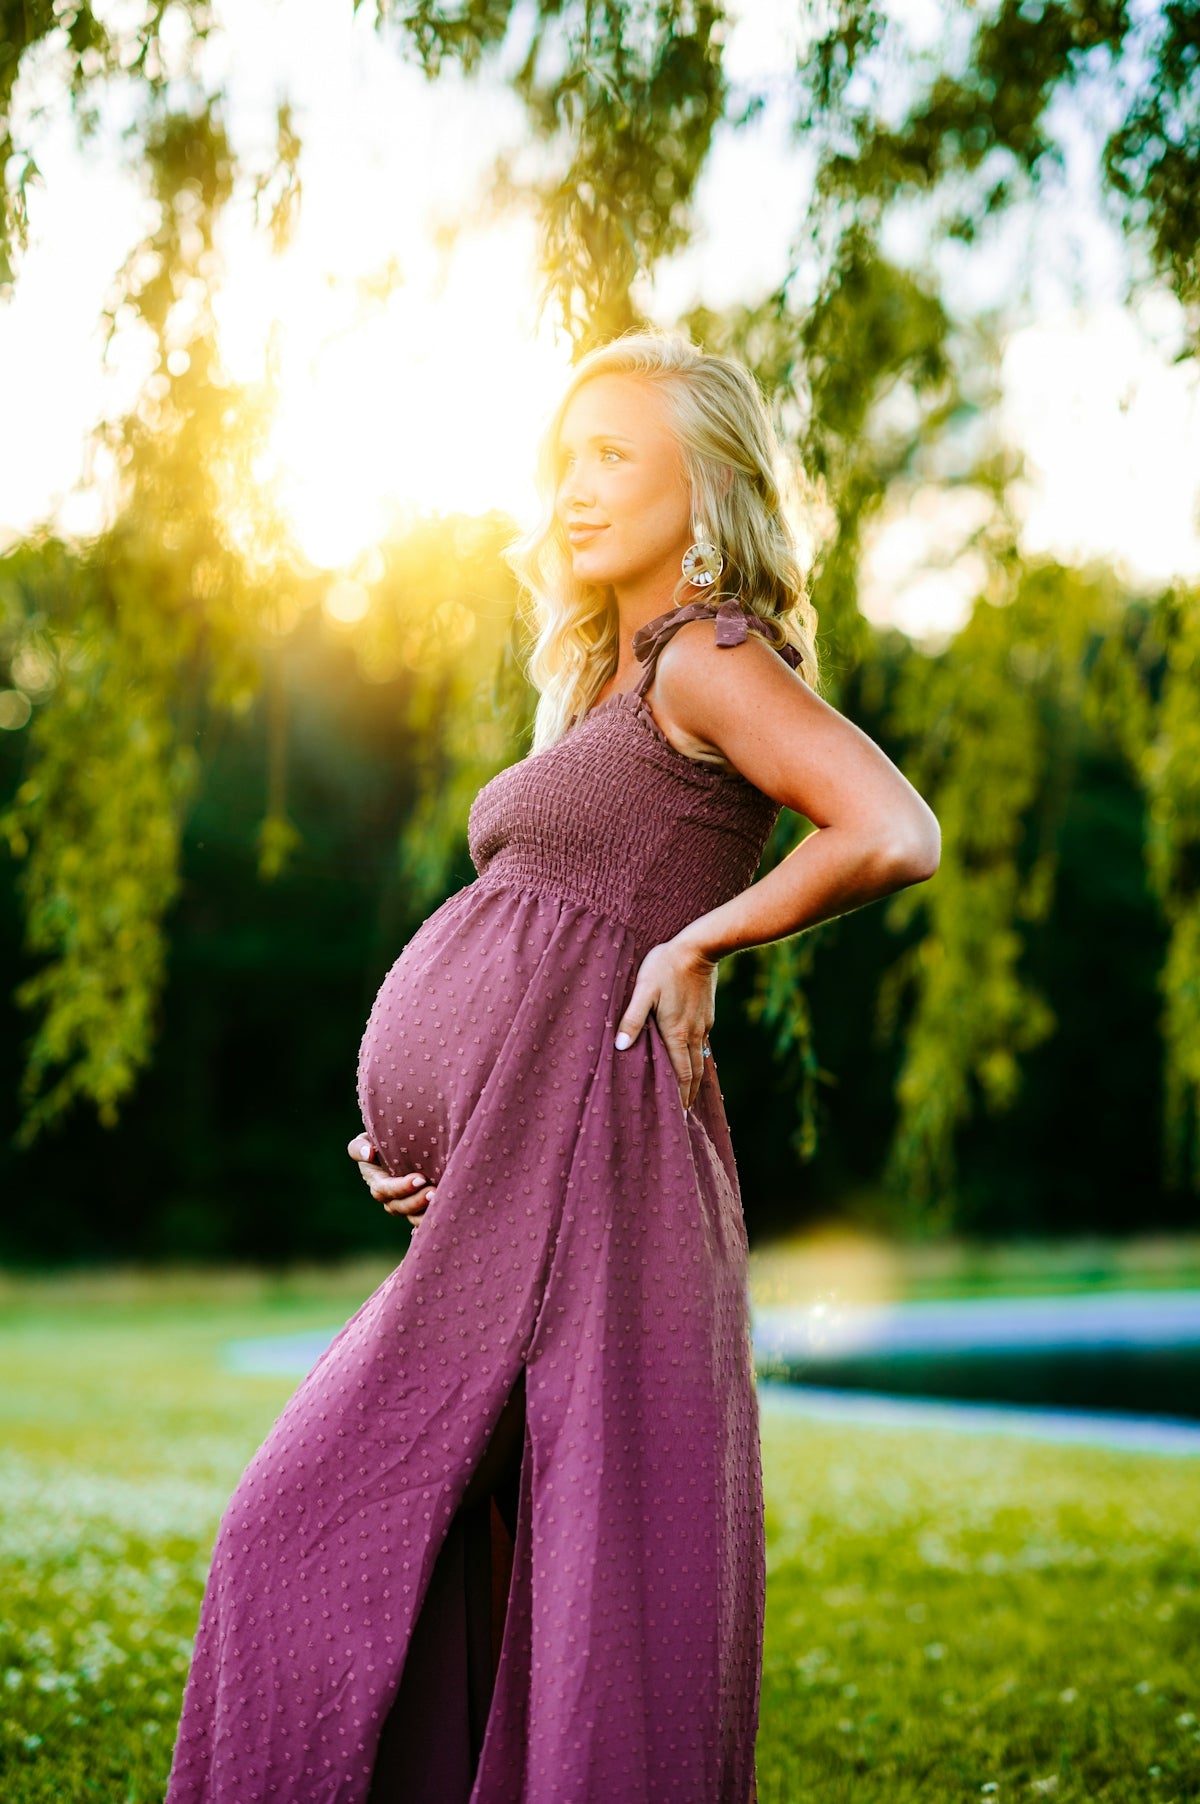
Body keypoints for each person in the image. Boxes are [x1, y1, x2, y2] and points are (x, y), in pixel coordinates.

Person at [164, 329, 939, 1804]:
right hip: (516, 1170)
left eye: (614, 455)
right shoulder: (618, 680)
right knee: (427, 1530)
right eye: (564, 458)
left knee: (529, 1557)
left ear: (703, 483)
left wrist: (703, 943)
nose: (575, 490)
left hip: (608, 1159)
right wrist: (433, 1129)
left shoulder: (714, 655)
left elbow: (894, 829)